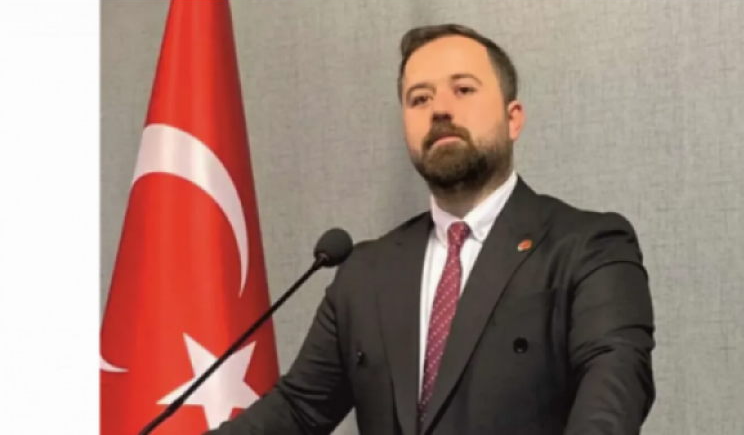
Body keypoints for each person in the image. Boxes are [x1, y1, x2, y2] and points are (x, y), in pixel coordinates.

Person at [208, 23, 656, 435]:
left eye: (463, 89)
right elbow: (298, 410)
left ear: (513, 118)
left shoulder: (589, 248)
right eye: (419, 99)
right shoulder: (365, 274)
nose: (440, 109)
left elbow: (612, 392)